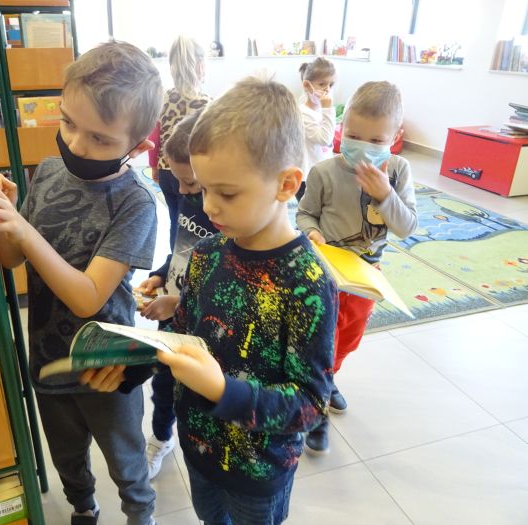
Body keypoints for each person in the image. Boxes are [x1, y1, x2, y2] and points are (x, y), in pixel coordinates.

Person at [0, 41, 163, 525]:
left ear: (137, 146)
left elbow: (88, 297)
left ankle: (140, 514)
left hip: (107, 366)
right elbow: (13, 260)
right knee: (66, 456)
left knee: (126, 461)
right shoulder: (48, 171)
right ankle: (84, 507)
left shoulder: (136, 203)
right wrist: (5, 217)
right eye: (68, 123)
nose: (77, 145)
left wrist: (25, 230)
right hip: (47, 358)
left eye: (100, 138)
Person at [156, 77, 338, 525]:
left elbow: (310, 403)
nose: (209, 207)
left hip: (259, 470)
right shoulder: (205, 254)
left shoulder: (307, 282)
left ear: (286, 184)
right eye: (204, 189)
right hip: (198, 449)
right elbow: (182, 337)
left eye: (227, 193)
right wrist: (130, 363)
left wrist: (223, 391)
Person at [296, 80, 418, 454]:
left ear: (395, 136)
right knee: (318, 340)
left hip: (365, 278)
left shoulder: (398, 172)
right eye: (353, 135)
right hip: (323, 273)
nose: (363, 147)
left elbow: (407, 226)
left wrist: (385, 194)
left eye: (376, 140)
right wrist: (312, 232)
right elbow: (304, 214)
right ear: (341, 127)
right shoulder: (324, 172)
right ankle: (316, 409)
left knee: (346, 339)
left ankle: (329, 377)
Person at [137, 109, 219, 479]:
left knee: (197, 388)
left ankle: (200, 448)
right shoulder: (188, 194)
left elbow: (226, 286)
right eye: (177, 180)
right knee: (163, 381)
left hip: (203, 322)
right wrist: (160, 274)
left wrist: (181, 302)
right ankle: (160, 436)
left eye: (190, 184)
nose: (181, 192)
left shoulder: (222, 215)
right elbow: (181, 248)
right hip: (173, 309)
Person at [148, 35, 211, 249]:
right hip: (191, 174)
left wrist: (154, 166)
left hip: (166, 170)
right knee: (193, 223)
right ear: (200, 66)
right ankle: (188, 257)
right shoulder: (207, 104)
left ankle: (173, 257)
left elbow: (154, 136)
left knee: (175, 219)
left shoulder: (163, 98)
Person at [297, 57, 337, 201]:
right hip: (307, 175)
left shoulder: (322, 110)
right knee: (309, 209)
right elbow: (325, 139)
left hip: (322, 169)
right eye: (322, 84)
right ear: (307, 86)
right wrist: (328, 110)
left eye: (331, 84)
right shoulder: (303, 113)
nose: (327, 89)